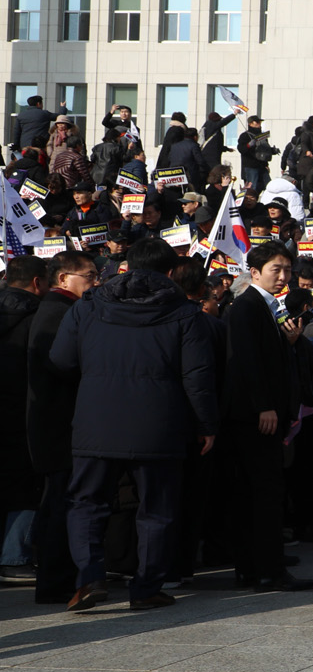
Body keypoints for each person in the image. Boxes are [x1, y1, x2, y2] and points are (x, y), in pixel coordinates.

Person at [49, 238, 218, 612]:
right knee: (156, 508)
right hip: (160, 424)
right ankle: (146, 587)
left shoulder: (89, 306)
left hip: (97, 419)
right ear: (171, 272)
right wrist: (206, 424)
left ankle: (90, 578)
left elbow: (60, 359)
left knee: (86, 503)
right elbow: (198, 377)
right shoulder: (185, 313)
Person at [223, 242, 313, 590]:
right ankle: (266, 569)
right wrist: (264, 405)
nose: (283, 276)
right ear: (256, 271)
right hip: (254, 414)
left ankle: (257, 565)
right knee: (261, 492)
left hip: (267, 410)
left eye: (287, 270)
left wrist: (288, 343)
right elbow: (246, 360)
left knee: (260, 491)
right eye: (276, 269)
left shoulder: (268, 307)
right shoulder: (247, 306)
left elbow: (268, 356)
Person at [25, 252, 92, 603]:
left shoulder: (61, 309)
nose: (94, 283)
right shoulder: (57, 313)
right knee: (60, 501)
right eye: (88, 276)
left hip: (58, 423)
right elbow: (62, 366)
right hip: (58, 425)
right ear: (64, 279)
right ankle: (57, 581)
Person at [0, 258, 45, 582]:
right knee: (25, 484)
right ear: (36, 283)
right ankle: (15, 556)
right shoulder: (37, 316)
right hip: (24, 412)